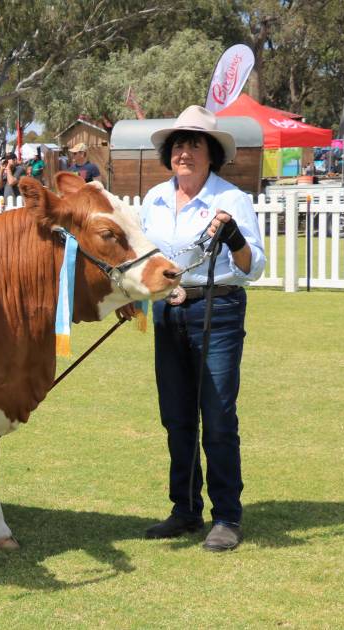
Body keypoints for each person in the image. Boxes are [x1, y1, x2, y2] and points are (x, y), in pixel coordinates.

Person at [139, 105, 266, 552]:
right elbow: (143, 261)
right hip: (166, 313)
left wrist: (235, 240)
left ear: (211, 154)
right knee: (176, 417)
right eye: (178, 145)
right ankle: (185, 509)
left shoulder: (230, 199)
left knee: (216, 416)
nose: (184, 152)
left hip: (219, 309)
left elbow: (253, 269)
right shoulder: (153, 199)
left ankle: (227, 516)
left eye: (194, 144)